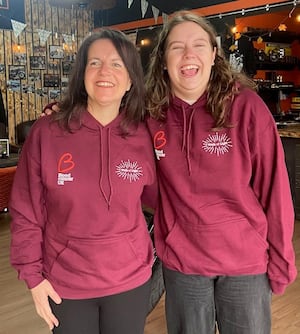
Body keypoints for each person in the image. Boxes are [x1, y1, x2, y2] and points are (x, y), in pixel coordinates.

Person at [144, 11, 297, 334]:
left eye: (199, 45)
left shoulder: (247, 108)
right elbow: (106, 132)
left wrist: (283, 260)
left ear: (214, 55)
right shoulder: (149, 114)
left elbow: (276, 190)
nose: (189, 55)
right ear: (162, 59)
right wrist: (62, 116)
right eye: (176, 47)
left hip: (244, 263)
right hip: (183, 263)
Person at [9, 29, 157, 334]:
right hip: (66, 283)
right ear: (82, 75)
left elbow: (167, 198)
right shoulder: (47, 133)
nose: (105, 72)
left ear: (131, 80)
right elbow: (26, 211)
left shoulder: (145, 134)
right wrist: (32, 278)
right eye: (95, 63)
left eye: (117, 64)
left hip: (129, 281)